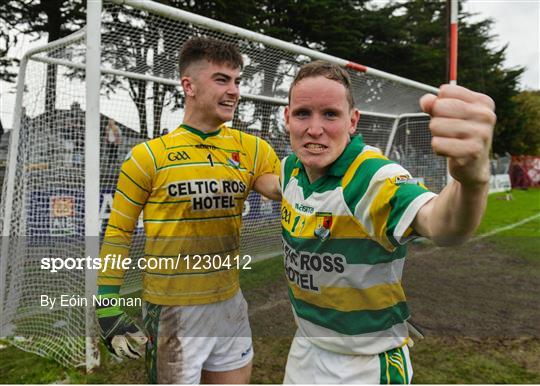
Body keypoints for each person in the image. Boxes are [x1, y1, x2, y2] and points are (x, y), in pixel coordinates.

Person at [280, 61, 495, 384]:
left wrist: (472, 182)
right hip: (305, 350)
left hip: (364, 365)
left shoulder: (371, 177)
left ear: (353, 121)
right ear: (287, 118)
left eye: (330, 114)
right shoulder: (291, 170)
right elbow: (263, 180)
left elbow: (442, 224)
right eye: (302, 114)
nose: (314, 128)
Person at [96, 37, 281, 384]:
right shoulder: (148, 156)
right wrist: (107, 303)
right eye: (222, 80)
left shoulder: (252, 149)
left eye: (237, 81)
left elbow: (279, 187)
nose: (234, 91)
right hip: (173, 311)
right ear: (189, 85)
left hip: (230, 304)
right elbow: (118, 233)